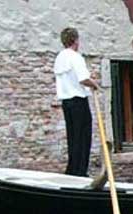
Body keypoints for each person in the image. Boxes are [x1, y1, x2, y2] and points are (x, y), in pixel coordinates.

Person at [54, 27, 100, 177]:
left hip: (66, 103)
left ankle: (72, 170)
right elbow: (83, 79)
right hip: (78, 101)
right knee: (83, 136)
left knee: (73, 136)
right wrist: (95, 85)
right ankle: (80, 172)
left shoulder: (59, 58)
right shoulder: (75, 57)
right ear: (76, 40)